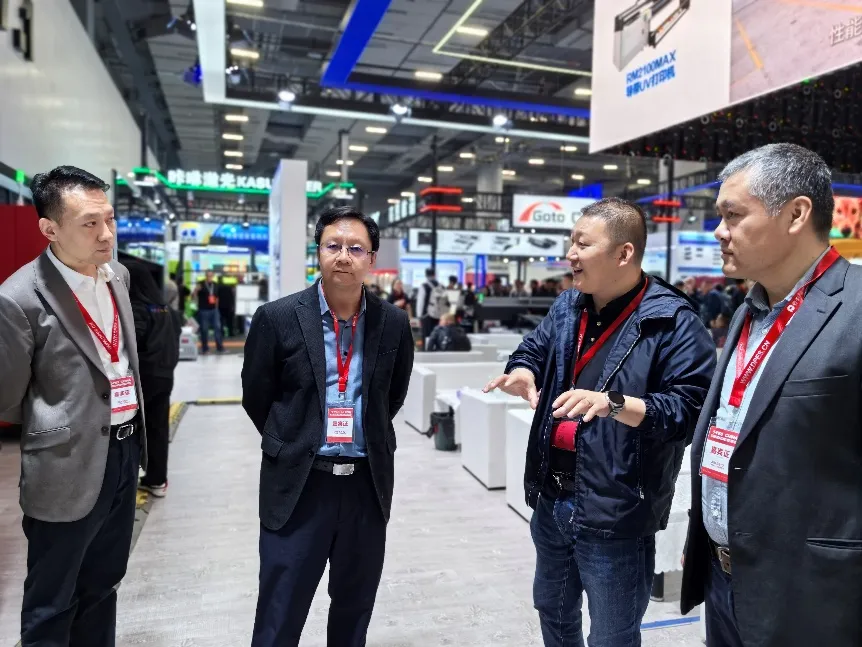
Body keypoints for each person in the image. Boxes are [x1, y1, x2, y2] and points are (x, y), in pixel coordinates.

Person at [484, 197, 716, 647]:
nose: (570, 254)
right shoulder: (568, 306)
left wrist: (615, 404)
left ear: (624, 253)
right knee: (553, 612)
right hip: (553, 497)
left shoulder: (673, 322)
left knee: (613, 635)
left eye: (582, 244)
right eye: (571, 242)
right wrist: (524, 371)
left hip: (616, 511)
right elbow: (534, 348)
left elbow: (688, 412)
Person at [681, 143, 862, 646]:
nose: (719, 231)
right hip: (724, 582)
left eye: (733, 215)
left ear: (796, 215)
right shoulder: (751, 310)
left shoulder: (856, 308)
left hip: (817, 597)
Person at [242, 205, 415, 646]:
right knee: (280, 612)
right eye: (333, 246)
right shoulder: (277, 318)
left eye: (356, 248)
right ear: (317, 252)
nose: (343, 256)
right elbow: (257, 396)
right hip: (300, 484)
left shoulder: (393, 323)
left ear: (371, 259)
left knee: (354, 611)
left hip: (365, 486)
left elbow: (391, 397)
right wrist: (294, 440)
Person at [0, 166, 146, 645]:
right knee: (52, 600)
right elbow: (9, 396)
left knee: (103, 585)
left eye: (110, 219)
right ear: (50, 229)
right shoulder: (18, 297)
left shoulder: (118, 276)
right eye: (90, 223)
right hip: (65, 463)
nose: (106, 234)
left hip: (124, 451)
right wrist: (59, 422)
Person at [126, 262, 182, 498]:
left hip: (142, 380)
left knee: (129, 430)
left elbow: (132, 343)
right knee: (158, 430)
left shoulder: (137, 309)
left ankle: (126, 482)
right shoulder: (166, 310)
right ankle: (157, 480)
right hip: (165, 376)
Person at [193, 270, 224, 353]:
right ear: (205, 276)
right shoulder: (201, 284)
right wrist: (196, 290)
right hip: (203, 310)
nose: (209, 277)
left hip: (214, 310)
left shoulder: (215, 285)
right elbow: (193, 296)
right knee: (204, 329)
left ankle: (219, 347)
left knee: (217, 327)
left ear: (213, 276)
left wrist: (217, 307)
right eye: (207, 275)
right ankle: (205, 348)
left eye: (210, 276)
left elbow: (217, 297)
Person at [416, 267, 447, 346]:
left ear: (426, 275)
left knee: (427, 336)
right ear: (434, 275)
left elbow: (420, 302)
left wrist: (419, 316)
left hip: (427, 315)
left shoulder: (424, 286)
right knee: (438, 336)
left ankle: (427, 350)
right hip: (440, 316)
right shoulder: (442, 286)